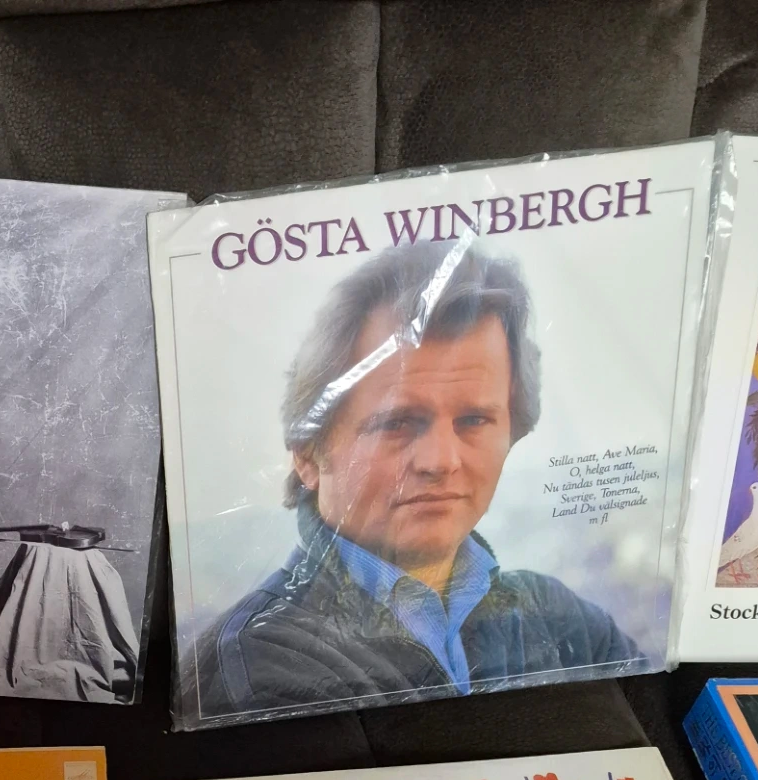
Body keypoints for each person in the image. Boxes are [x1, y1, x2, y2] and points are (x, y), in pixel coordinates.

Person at [192, 240, 643, 720]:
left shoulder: (565, 622)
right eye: (397, 422)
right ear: (307, 454)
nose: (440, 461)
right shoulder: (259, 662)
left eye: (474, 420)